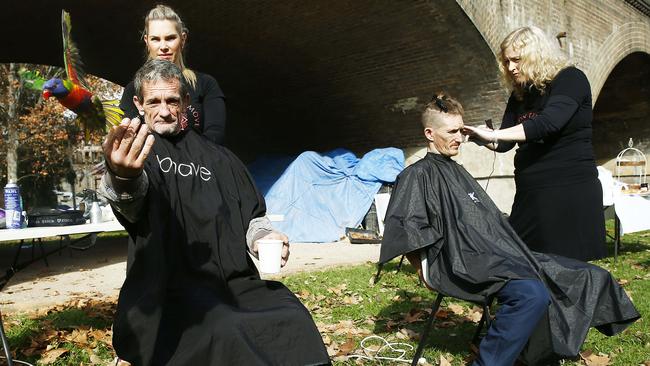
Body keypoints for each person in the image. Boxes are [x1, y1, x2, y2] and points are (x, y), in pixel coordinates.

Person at [379, 93, 639, 366]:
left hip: (494, 255)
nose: (459, 138)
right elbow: (407, 230)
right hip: (461, 263)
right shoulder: (416, 175)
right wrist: (426, 272)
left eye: (462, 131)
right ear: (430, 134)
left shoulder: (456, 171)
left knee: (587, 275)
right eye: (452, 132)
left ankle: (537, 355)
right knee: (533, 293)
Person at [99, 59, 330, 366]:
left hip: (237, 285)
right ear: (139, 104)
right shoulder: (137, 153)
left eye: (172, 100)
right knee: (227, 328)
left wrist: (264, 237)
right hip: (169, 292)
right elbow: (129, 203)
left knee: (293, 316)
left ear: (184, 101)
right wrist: (122, 176)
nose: (165, 111)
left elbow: (253, 218)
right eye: (154, 101)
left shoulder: (222, 158)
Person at [463, 26, 606, 261]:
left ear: (536, 54)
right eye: (506, 61)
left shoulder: (570, 79)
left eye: (516, 60)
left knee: (567, 269)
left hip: (567, 190)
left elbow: (548, 123)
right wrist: (480, 137)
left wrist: (496, 135)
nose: (510, 67)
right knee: (524, 261)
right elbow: (505, 143)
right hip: (531, 194)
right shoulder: (520, 93)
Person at [120, 5, 227, 145]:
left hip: (198, 164)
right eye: (155, 39)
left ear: (182, 39)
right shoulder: (133, 89)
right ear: (147, 42)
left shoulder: (206, 84)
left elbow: (214, 138)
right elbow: (133, 140)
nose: (163, 46)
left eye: (170, 38)